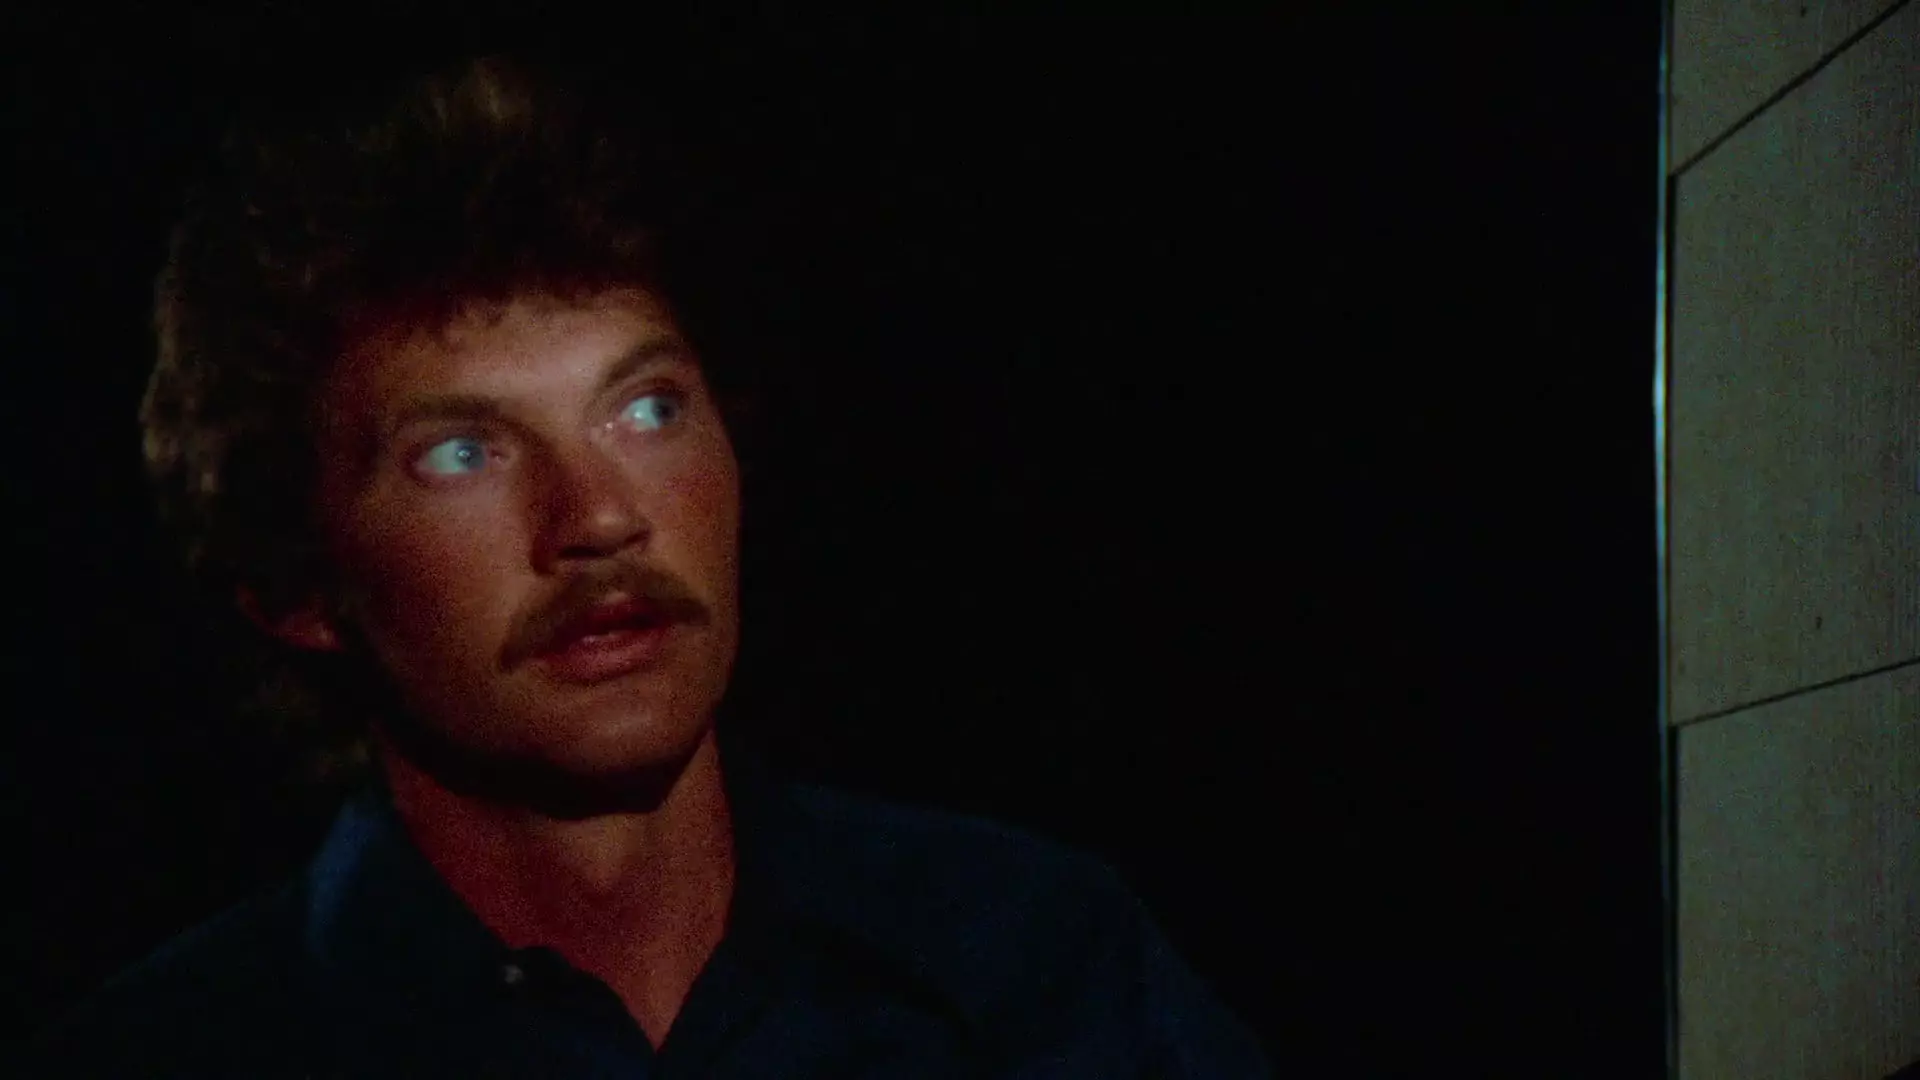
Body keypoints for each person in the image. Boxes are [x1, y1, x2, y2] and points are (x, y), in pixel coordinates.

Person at [30, 53, 1271, 1078]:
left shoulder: (1037, 961)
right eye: (462, 453)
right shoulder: (169, 1054)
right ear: (297, 588)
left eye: (647, 410)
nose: (601, 518)